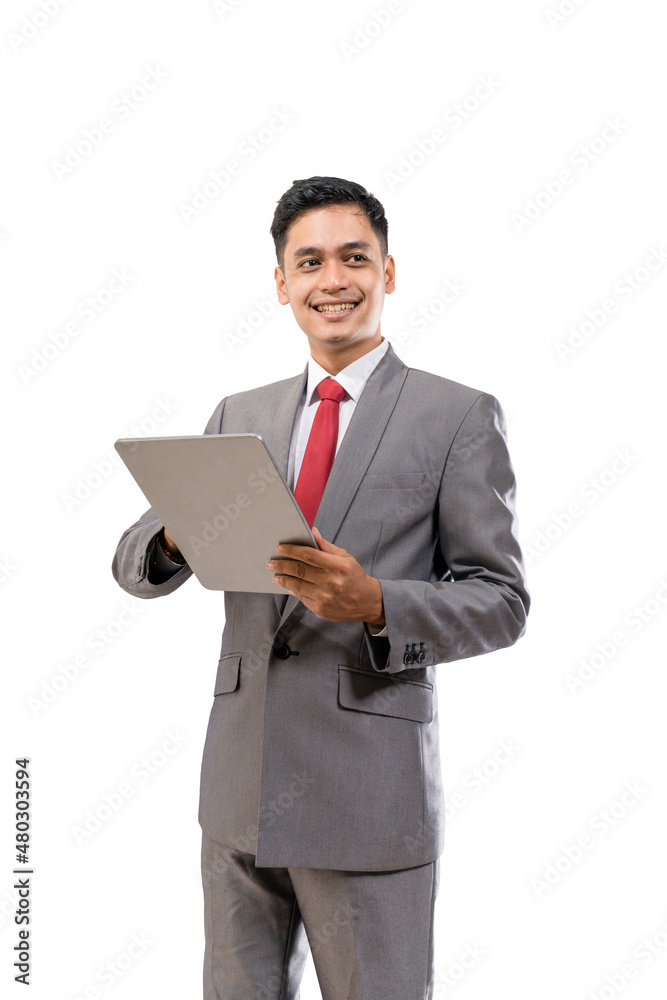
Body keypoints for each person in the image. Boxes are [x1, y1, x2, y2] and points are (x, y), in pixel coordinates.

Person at [112, 175, 530, 999]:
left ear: (388, 272)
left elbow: (502, 600)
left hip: (367, 792)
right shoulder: (240, 411)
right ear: (281, 284)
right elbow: (134, 562)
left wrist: (375, 602)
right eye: (309, 262)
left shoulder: (456, 416)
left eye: (353, 258)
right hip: (237, 792)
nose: (331, 279)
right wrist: (172, 536)